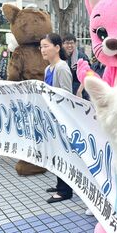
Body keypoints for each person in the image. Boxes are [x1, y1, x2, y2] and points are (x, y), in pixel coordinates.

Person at [40, 33, 74, 204]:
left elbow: (67, 97)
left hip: (61, 120)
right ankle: (60, 184)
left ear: (57, 48)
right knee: (55, 154)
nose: (42, 50)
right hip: (51, 119)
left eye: (46, 46)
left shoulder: (62, 68)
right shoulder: (48, 69)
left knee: (63, 155)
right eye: (41, 47)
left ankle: (65, 191)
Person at [62, 33, 90, 99]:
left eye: (72, 43)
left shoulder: (81, 57)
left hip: (79, 90)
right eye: (67, 43)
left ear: (75, 44)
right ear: (62, 44)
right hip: (66, 90)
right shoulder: (61, 56)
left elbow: (88, 74)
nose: (69, 45)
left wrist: (79, 91)